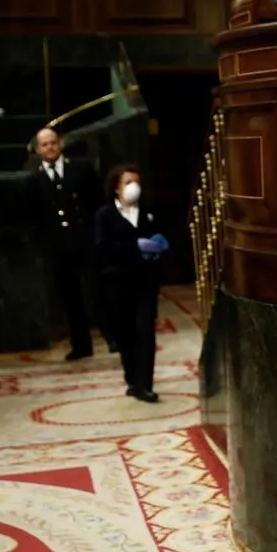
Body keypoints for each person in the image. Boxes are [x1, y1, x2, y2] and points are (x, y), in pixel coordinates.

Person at [25, 128, 107, 360]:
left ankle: (113, 337)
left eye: (53, 143)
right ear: (38, 149)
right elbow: (35, 217)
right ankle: (81, 345)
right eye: (44, 145)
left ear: (60, 144)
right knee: (71, 298)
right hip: (59, 248)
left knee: (98, 290)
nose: (50, 148)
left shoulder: (81, 168)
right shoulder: (34, 178)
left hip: (86, 241)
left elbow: (98, 203)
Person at [95, 164, 168, 403]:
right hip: (118, 283)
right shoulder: (105, 214)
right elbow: (102, 247)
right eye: (128, 182)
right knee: (125, 334)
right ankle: (132, 380)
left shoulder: (148, 211)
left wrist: (158, 247)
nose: (133, 187)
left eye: (136, 182)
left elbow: (162, 236)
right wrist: (134, 246)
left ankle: (145, 384)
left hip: (145, 283)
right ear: (117, 187)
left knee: (145, 332)